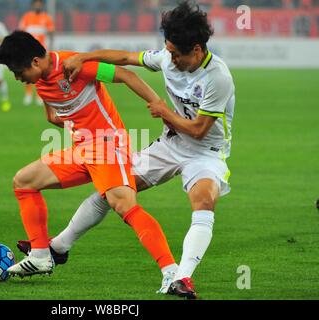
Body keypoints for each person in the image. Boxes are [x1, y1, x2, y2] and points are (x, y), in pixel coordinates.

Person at [17, 0, 235, 299]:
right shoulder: (167, 59)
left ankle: (181, 277)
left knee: (203, 201)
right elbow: (124, 59)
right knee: (114, 192)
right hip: (169, 146)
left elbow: (198, 130)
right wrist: (84, 57)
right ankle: (58, 248)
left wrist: (164, 111)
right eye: (167, 49)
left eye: (174, 53)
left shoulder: (217, 77)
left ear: (196, 50)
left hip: (205, 152)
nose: (168, 58)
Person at [0, 31, 179, 291]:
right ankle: (40, 256)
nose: (17, 78)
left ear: (35, 62)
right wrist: (59, 119)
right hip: (82, 150)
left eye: (18, 72)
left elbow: (127, 75)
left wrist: (161, 109)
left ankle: (172, 273)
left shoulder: (76, 65)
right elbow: (54, 113)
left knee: (123, 204)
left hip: (108, 146)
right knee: (24, 181)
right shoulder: (39, 82)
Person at [18, 0, 54, 106]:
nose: (38, 5)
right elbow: (21, 33)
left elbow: (51, 33)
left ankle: (40, 96)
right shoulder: (26, 17)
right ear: (33, 5)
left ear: (42, 5)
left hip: (41, 50)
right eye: (36, 4)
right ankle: (28, 95)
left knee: (41, 73)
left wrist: (51, 46)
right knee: (27, 71)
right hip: (28, 49)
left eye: (40, 4)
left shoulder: (47, 18)